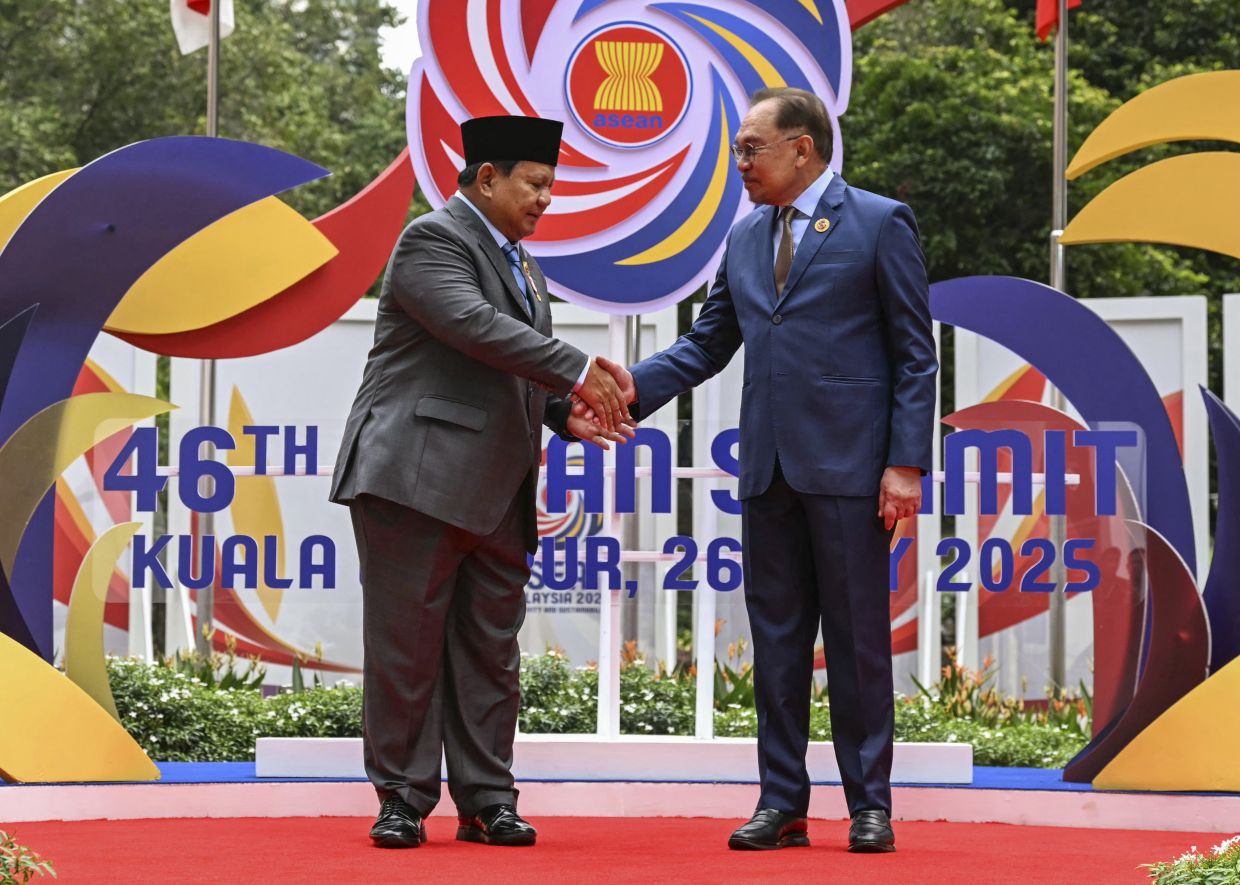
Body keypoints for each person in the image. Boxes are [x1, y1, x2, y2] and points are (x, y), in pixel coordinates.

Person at [595, 87, 937, 852]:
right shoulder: (746, 238)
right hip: (768, 474)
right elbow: (707, 343)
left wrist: (905, 464)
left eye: (751, 148)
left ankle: (869, 806)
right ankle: (781, 800)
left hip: (854, 472)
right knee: (777, 646)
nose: (740, 162)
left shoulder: (880, 222)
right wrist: (630, 389)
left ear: (803, 149)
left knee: (856, 644)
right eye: (738, 150)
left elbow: (916, 354)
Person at [330, 114, 632, 849]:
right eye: (535, 184)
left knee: (490, 652)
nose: (545, 200)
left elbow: (505, 366)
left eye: (552, 187)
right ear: (487, 177)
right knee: (407, 647)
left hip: (497, 488)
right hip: (414, 478)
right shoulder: (432, 240)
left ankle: (487, 799)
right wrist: (577, 369)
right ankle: (402, 797)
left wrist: (565, 414)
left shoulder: (524, 264)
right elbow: (470, 325)